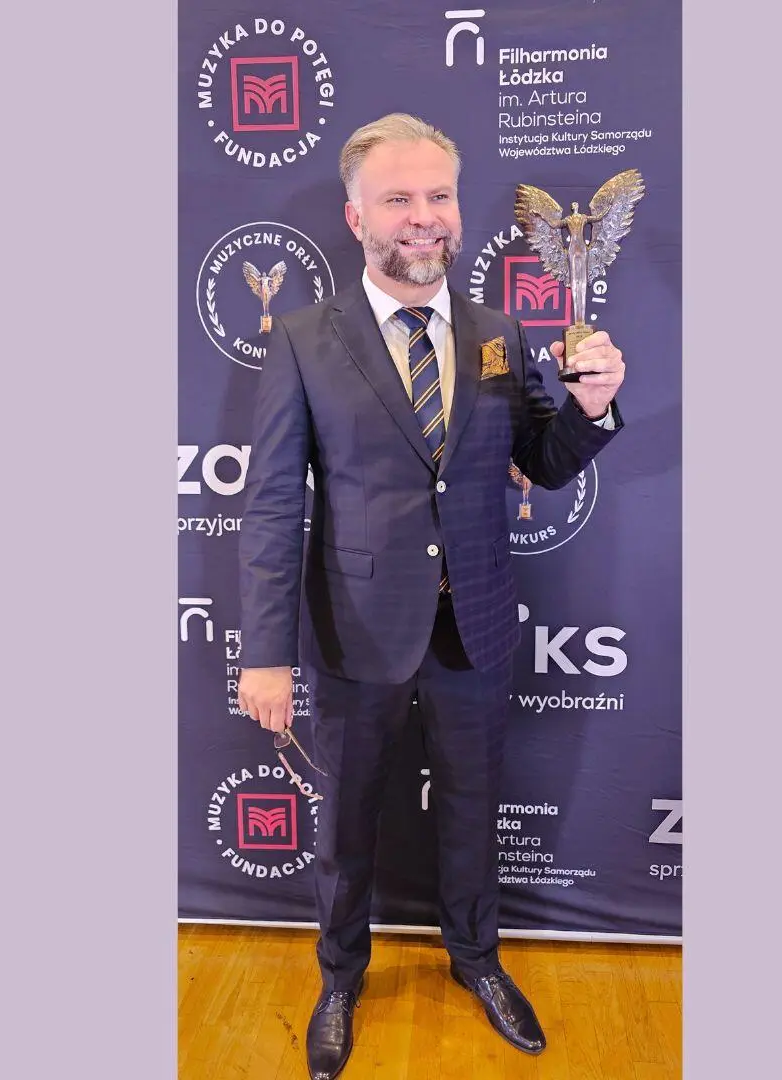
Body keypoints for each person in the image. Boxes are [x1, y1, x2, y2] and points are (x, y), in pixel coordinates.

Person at [236, 112, 625, 1080]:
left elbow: (541, 460)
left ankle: (477, 959)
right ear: (356, 215)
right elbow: (275, 502)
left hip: (476, 625)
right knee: (346, 822)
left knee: (473, 806)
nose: (424, 216)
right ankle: (340, 977)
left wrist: (590, 409)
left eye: (440, 195)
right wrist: (267, 654)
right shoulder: (304, 340)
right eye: (399, 198)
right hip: (355, 629)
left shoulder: (499, 332)